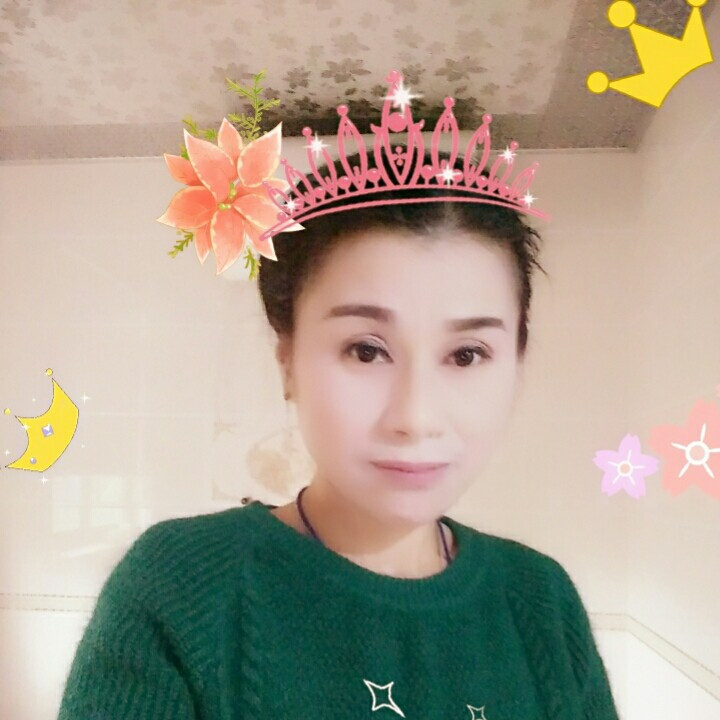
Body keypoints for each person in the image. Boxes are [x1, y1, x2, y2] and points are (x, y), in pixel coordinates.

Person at [56, 148, 620, 719]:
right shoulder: (178, 586)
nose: (416, 417)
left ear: (517, 366)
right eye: (366, 350)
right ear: (287, 362)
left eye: (467, 354)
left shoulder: (542, 600)